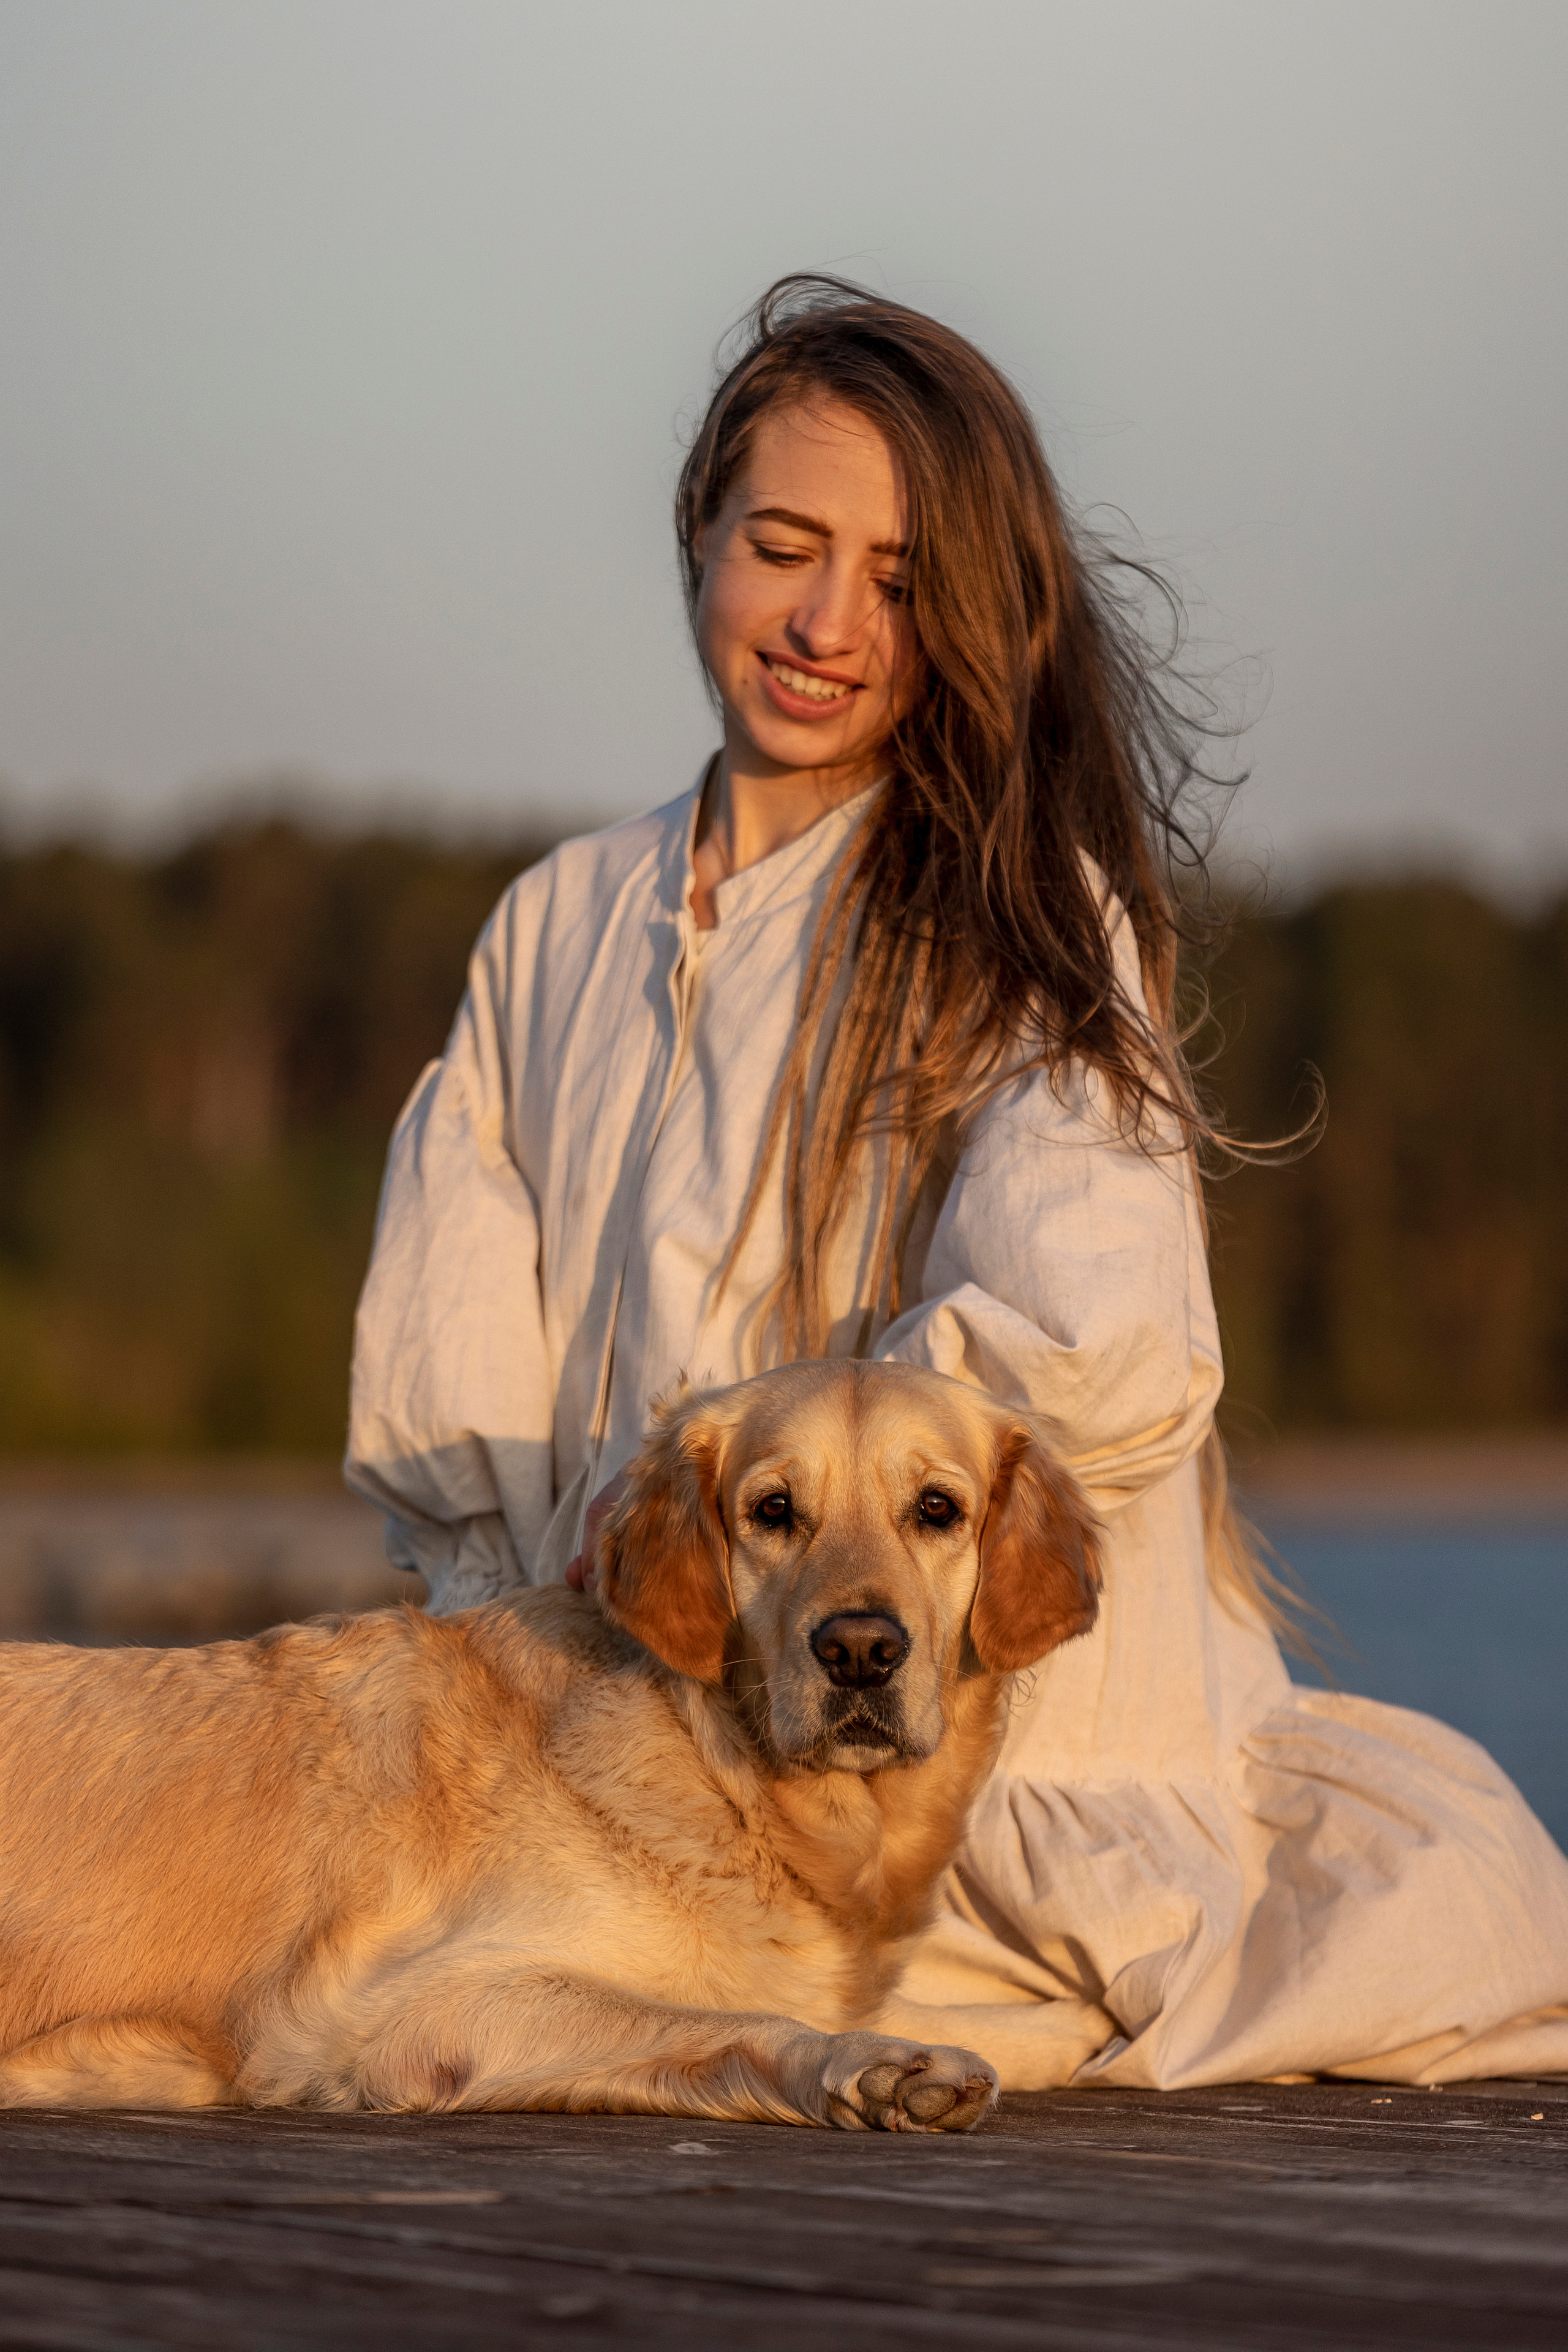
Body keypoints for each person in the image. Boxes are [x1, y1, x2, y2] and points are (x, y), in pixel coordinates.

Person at [346, 276, 1568, 2090]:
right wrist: (572, 1686)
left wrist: (813, 1509)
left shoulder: (1017, 913)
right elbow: (458, 1416)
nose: (831, 620)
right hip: (657, 1765)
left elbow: (1100, 1334)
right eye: (783, 544)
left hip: (970, 1809)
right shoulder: (553, 926)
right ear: (698, 531)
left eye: (904, 581)